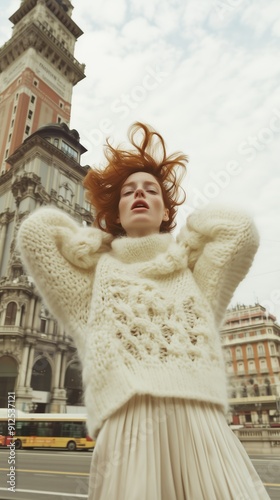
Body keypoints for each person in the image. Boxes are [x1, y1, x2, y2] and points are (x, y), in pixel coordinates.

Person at [17, 122, 269, 500]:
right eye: (128, 192)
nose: (139, 194)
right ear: (115, 212)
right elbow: (36, 235)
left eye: (151, 191)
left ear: (165, 209)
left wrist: (186, 234)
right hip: (129, 431)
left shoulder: (196, 275)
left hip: (203, 429)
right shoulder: (91, 280)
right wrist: (97, 241)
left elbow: (240, 230)